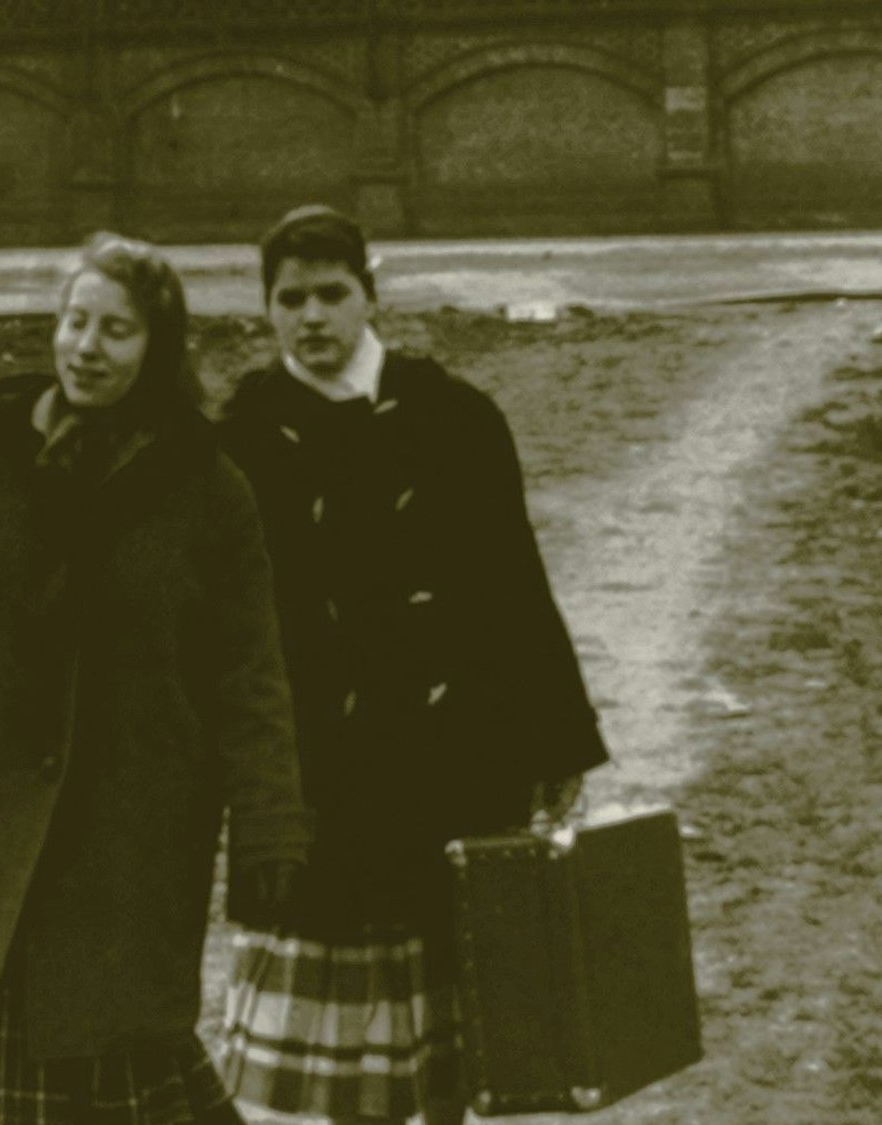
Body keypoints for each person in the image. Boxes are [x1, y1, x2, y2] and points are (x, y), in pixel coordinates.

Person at [0, 233, 309, 1125]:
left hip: (131, 844)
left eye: (115, 331)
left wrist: (270, 830)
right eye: (74, 322)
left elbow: (251, 676)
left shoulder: (209, 488)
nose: (86, 347)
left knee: (113, 1053)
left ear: (156, 348)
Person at [213, 205, 611, 1125]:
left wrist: (555, 744)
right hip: (312, 780)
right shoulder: (240, 438)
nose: (311, 318)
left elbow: (515, 585)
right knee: (326, 1080)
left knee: (445, 1046)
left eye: (332, 295)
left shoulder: (455, 419)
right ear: (266, 310)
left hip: (450, 764)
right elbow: (209, 624)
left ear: (370, 296)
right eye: (289, 299)